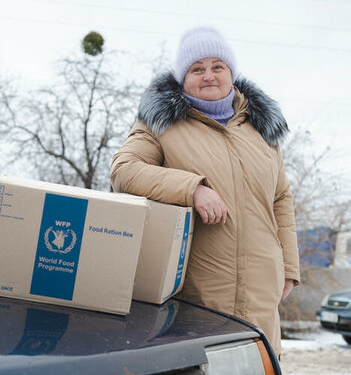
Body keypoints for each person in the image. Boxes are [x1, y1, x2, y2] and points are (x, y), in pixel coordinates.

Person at [111, 27, 300, 357]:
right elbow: (124, 171)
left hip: (262, 290)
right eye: (197, 68)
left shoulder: (261, 128)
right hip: (197, 293)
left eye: (218, 66)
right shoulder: (160, 123)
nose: (208, 76)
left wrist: (289, 268)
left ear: (231, 73)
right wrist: (192, 188)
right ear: (183, 77)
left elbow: (281, 198)